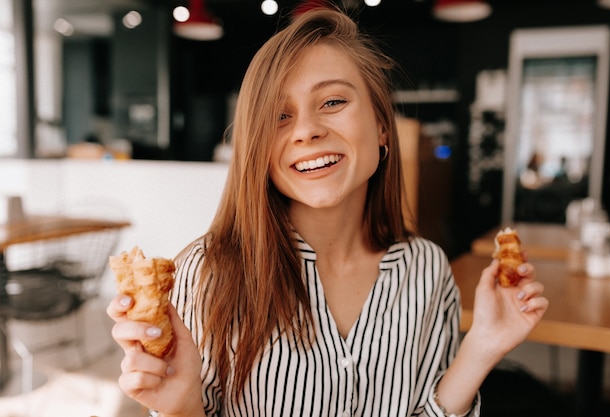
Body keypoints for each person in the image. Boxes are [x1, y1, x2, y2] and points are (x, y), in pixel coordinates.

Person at [107, 7, 548, 417]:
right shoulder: (208, 275)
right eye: (279, 116)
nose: (307, 131)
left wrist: (483, 347)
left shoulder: (427, 270)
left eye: (333, 102)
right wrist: (182, 407)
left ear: (381, 126)